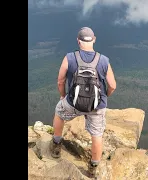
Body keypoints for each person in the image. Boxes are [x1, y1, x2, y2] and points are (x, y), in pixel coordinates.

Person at [49, 27, 116, 176]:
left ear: (78, 41)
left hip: (73, 102)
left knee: (59, 113)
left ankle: (56, 146)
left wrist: (63, 95)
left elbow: (60, 81)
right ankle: (93, 168)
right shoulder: (104, 60)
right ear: (94, 39)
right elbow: (112, 85)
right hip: (97, 106)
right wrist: (105, 97)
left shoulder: (70, 57)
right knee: (97, 134)